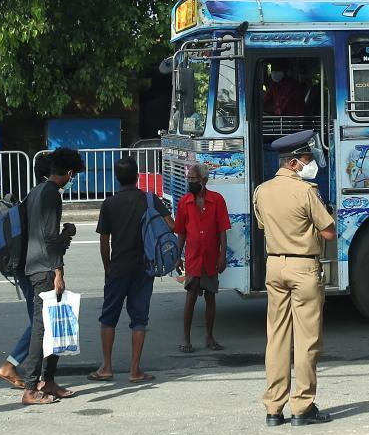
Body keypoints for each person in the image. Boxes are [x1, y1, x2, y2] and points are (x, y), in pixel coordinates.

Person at [253, 130, 336, 427]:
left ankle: (273, 409)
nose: (310, 163)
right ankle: (302, 407)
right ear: (293, 163)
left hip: (274, 266)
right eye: (307, 159)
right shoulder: (306, 192)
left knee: (276, 337)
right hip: (304, 268)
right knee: (306, 339)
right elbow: (328, 231)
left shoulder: (261, 191)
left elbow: (264, 226)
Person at [90, 157, 174, 383]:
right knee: (139, 319)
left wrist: (108, 267)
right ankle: (135, 370)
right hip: (144, 267)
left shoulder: (109, 204)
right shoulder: (149, 199)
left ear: (116, 178)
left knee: (108, 317)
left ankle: (106, 367)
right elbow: (170, 226)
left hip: (118, 267)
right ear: (138, 176)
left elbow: (104, 241)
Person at [21, 147, 84, 405]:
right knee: (42, 328)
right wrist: (59, 272)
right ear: (69, 172)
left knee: (53, 324)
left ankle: (49, 380)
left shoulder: (36, 191)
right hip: (45, 269)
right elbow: (48, 238)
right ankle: (31, 387)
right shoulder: (51, 195)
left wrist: (64, 234)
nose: (72, 179)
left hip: (34, 265)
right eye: (74, 175)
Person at [0, 152, 53, 390]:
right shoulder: (42, 196)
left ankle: (31, 370)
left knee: (37, 321)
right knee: (39, 323)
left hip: (23, 266)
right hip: (32, 268)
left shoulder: (33, 194)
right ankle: (10, 365)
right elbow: (43, 237)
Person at [175, 164, 232, 353]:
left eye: (193, 179)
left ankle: (209, 337)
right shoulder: (184, 202)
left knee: (210, 297)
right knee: (190, 297)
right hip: (193, 258)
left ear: (204, 181)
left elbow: (222, 230)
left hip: (210, 258)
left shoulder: (217, 200)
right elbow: (181, 233)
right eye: (189, 179)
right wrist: (178, 256)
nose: (190, 182)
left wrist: (222, 255)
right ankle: (185, 338)